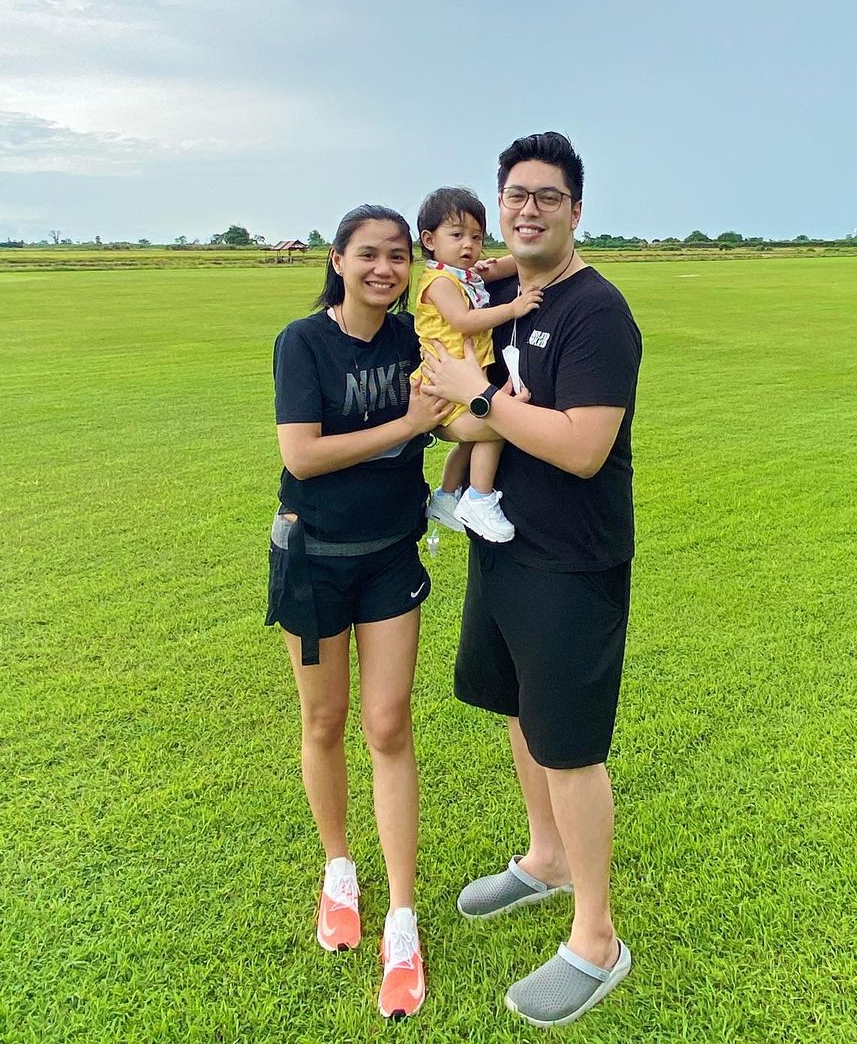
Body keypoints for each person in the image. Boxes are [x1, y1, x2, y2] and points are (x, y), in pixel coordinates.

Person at [421, 132, 642, 1028]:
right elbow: (448, 419)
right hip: (503, 541)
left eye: (547, 195)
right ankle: (545, 858)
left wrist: (479, 402)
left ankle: (598, 938)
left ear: (577, 209)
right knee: (517, 708)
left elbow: (583, 448)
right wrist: (465, 412)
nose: (526, 208)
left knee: (572, 744)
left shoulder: (598, 312)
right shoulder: (505, 293)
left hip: (571, 555)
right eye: (514, 193)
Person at [265, 204, 452, 1020]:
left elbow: (457, 399)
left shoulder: (418, 336)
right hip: (312, 561)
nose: (385, 268)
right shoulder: (302, 343)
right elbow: (300, 454)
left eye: (398, 256)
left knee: (389, 724)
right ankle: (339, 871)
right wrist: (403, 424)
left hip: (388, 557)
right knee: (325, 721)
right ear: (339, 260)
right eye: (369, 254)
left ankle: (401, 923)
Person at [412, 186, 541, 542]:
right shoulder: (439, 281)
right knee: (499, 426)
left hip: (460, 380)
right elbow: (462, 321)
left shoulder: (463, 276)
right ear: (429, 240)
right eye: (456, 236)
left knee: (469, 442)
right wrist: (513, 309)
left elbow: (527, 258)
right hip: (448, 385)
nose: (468, 245)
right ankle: (479, 498)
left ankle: (446, 495)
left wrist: (497, 263)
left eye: (476, 237)